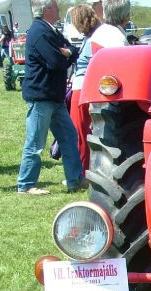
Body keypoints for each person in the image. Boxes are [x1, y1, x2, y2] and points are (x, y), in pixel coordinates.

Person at [17, 0, 83, 195]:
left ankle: (75, 179)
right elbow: (55, 62)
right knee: (36, 142)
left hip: (55, 97)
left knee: (69, 136)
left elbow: (73, 50)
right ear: (46, 9)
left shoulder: (51, 30)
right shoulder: (39, 32)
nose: (59, 9)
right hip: (41, 96)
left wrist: (67, 52)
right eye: (55, 6)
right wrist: (64, 54)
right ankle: (26, 184)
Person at [70, 4, 100, 172]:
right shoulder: (90, 38)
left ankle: (81, 169)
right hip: (83, 87)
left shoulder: (91, 40)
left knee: (80, 130)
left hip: (82, 89)